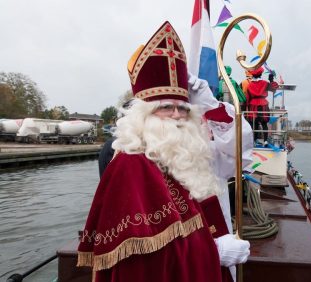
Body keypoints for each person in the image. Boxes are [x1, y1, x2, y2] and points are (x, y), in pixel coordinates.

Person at [78, 21, 252, 282]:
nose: (177, 116)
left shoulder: (188, 153)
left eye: (183, 109)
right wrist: (214, 251)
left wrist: (211, 105)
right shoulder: (131, 164)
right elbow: (144, 257)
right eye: (166, 107)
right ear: (144, 114)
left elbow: (238, 153)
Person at [246, 67, 278, 144]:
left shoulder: (250, 85)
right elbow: (273, 89)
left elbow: (248, 98)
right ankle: (266, 140)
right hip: (263, 104)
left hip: (253, 105)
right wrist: (271, 80)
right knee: (264, 124)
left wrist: (246, 106)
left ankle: (254, 140)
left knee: (255, 124)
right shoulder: (265, 83)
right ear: (261, 74)